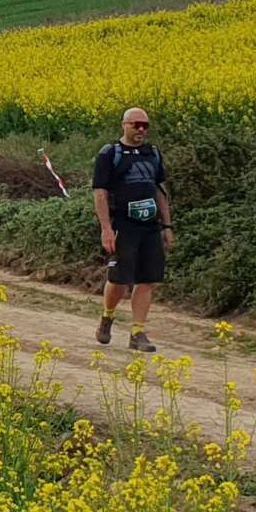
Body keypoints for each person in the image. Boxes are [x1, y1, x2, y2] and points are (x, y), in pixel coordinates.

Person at [91, 106, 170, 352]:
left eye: (145, 126)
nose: (141, 130)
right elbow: (100, 193)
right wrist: (105, 228)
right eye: (136, 125)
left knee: (148, 279)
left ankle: (137, 332)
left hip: (149, 226)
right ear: (124, 125)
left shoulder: (152, 153)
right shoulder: (110, 154)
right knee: (119, 279)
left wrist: (167, 226)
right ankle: (108, 316)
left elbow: (159, 190)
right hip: (122, 225)